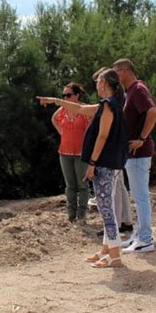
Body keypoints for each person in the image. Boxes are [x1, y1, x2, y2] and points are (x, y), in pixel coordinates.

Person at [37, 69, 128, 268]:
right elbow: (81, 109)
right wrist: (56, 101)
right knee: (107, 206)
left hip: (104, 163)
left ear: (103, 83)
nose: (95, 85)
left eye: (97, 81)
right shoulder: (111, 103)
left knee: (106, 210)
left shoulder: (108, 105)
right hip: (111, 163)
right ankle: (107, 249)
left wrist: (92, 163)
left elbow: (102, 136)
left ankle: (115, 256)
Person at [112, 58, 156, 253]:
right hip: (132, 154)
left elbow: (153, 112)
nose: (115, 77)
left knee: (140, 197)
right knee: (138, 196)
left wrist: (141, 137)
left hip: (139, 153)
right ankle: (140, 234)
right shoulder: (131, 91)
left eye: (116, 72)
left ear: (124, 71)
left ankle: (146, 239)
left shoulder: (138, 89)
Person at [50, 82, 91, 225]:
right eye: (64, 95)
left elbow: (93, 125)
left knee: (83, 184)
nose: (65, 98)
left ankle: (82, 215)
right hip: (65, 151)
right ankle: (71, 215)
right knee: (70, 185)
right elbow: (54, 119)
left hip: (81, 152)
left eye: (68, 95)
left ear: (77, 95)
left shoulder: (84, 109)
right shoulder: (62, 110)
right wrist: (62, 132)